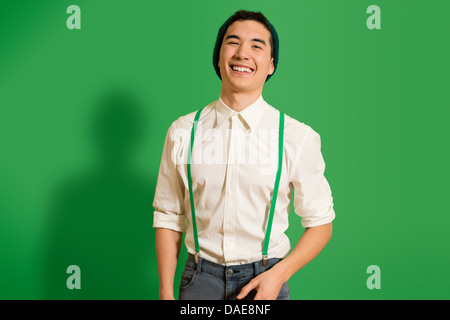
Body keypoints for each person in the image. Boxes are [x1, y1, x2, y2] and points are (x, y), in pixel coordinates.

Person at [153, 9, 335, 300]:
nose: (242, 53)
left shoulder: (296, 136)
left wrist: (279, 274)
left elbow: (321, 222)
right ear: (218, 56)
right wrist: (165, 293)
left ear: (271, 65)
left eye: (256, 45)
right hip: (200, 281)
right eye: (233, 42)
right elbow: (168, 217)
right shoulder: (182, 131)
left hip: (266, 279)